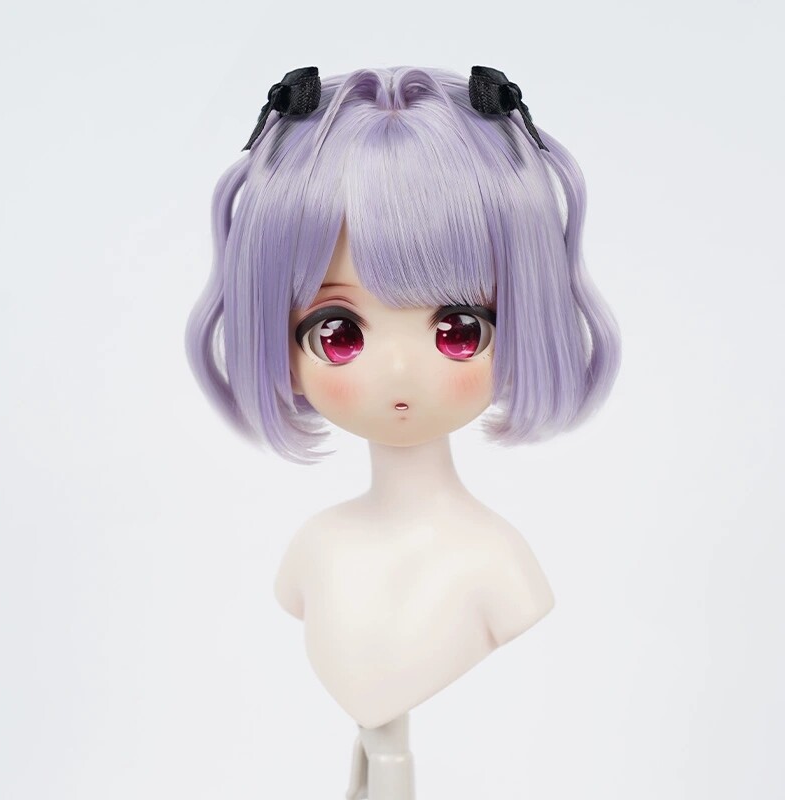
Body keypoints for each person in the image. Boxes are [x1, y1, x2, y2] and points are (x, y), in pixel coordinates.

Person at [185, 64, 621, 800]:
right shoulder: (313, 550)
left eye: (458, 329)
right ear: (277, 339)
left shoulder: (501, 573)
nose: (397, 371)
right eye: (338, 332)